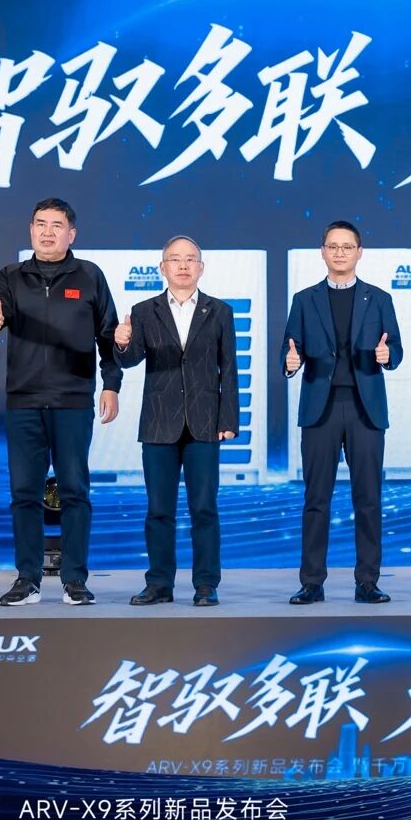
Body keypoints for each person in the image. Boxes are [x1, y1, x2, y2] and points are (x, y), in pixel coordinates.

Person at [0, 197, 121, 607]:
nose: (47, 232)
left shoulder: (90, 276)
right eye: (40, 223)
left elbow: (109, 336)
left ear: (71, 234)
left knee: (75, 490)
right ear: (31, 230)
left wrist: (111, 385)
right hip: (23, 402)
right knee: (24, 493)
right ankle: (28, 579)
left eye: (56, 225)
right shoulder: (12, 276)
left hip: (72, 400)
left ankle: (75, 580)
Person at [280, 220, 403, 605]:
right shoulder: (304, 299)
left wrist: (387, 355)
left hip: (367, 410)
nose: (339, 253)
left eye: (347, 246)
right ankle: (311, 583)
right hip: (321, 409)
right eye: (333, 246)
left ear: (359, 252)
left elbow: (396, 350)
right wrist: (290, 363)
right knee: (316, 499)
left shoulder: (379, 298)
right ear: (322, 252)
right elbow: (288, 351)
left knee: (368, 499)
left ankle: (367, 581)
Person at [114, 235, 239, 608]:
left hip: (205, 423)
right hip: (158, 423)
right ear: (162, 267)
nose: (183, 265)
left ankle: (206, 584)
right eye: (175, 259)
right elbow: (129, 360)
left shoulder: (220, 311)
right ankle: (159, 584)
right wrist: (121, 342)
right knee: (159, 510)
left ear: (201, 267)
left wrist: (228, 418)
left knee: (204, 509)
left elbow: (229, 370)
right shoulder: (143, 311)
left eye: (190, 259)